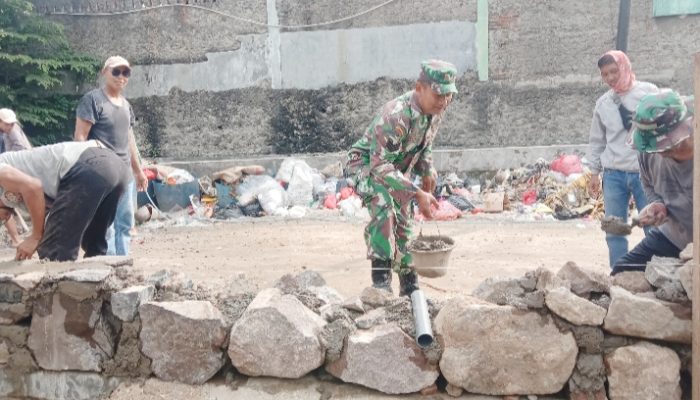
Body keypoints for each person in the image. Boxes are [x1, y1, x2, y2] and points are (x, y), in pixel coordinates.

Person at [345, 59, 457, 296]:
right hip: (365, 166)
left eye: (448, 95)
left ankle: (409, 285)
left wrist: (428, 170)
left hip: (394, 168)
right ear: (419, 88)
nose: (444, 101)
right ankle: (381, 282)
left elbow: (423, 146)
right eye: (439, 95)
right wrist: (416, 192)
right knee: (385, 206)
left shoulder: (435, 111)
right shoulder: (396, 115)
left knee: (405, 218)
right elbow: (380, 165)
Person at [0, 140, 129, 261]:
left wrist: (35, 237)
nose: (4, 220)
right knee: (93, 244)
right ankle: (102, 282)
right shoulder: (11, 185)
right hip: (114, 166)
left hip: (88, 166)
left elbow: (33, 187)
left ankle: (61, 284)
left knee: (53, 251)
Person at [587, 50, 658, 268]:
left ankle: (660, 275)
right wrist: (593, 173)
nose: (609, 78)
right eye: (604, 74)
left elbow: (666, 129)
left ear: (624, 67)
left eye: (613, 71)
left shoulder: (649, 94)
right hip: (613, 176)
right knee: (614, 230)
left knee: (654, 228)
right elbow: (597, 140)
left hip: (645, 175)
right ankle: (620, 275)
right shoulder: (603, 103)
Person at [612, 90, 693, 274]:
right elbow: (648, 183)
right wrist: (658, 204)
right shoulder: (648, 151)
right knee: (622, 271)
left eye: (667, 144)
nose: (660, 151)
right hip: (672, 236)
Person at [74, 56, 147, 256]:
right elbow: (80, 136)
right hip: (103, 174)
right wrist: (85, 170)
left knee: (124, 222)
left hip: (125, 174)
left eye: (126, 72)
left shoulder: (126, 105)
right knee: (105, 224)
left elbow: (129, 139)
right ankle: (107, 264)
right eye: (116, 71)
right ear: (104, 72)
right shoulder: (93, 100)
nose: (121, 77)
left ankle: (123, 264)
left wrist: (138, 171)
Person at [0, 108, 32, 247]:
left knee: (6, 204)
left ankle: (17, 239)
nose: (10, 126)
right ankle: (16, 239)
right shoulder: (5, 133)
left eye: (12, 123)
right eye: (7, 124)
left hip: (17, 170)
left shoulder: (12, 131)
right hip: (9, 169)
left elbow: (20, 149)